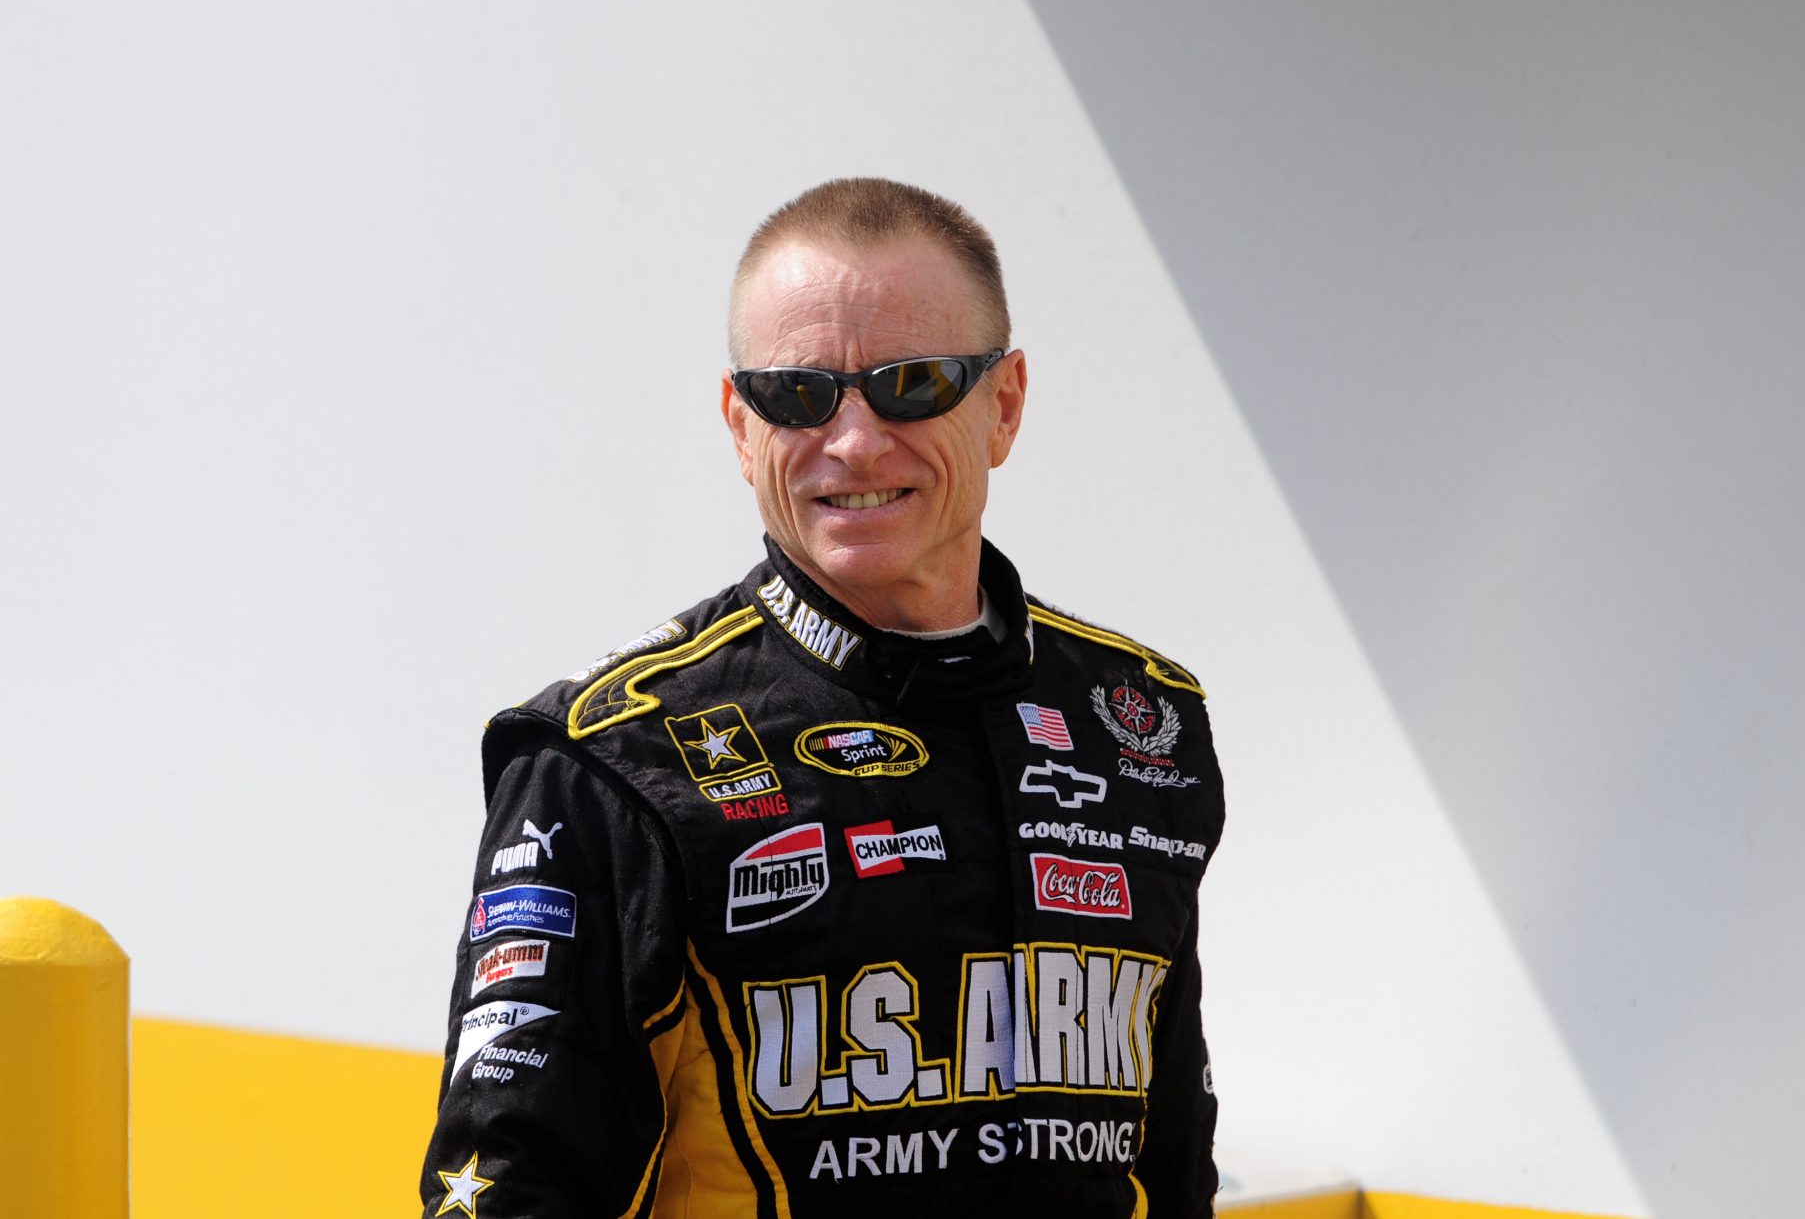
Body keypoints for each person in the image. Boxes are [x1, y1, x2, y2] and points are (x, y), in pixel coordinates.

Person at [420, 178, 1225, 1218]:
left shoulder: (1139, 721)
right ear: (739, 421)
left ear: (1005, 405)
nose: (853, 440)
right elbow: (508, 1191)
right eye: (799, 393)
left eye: (912, 383)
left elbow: (1172, 1159)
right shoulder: (609, 761)